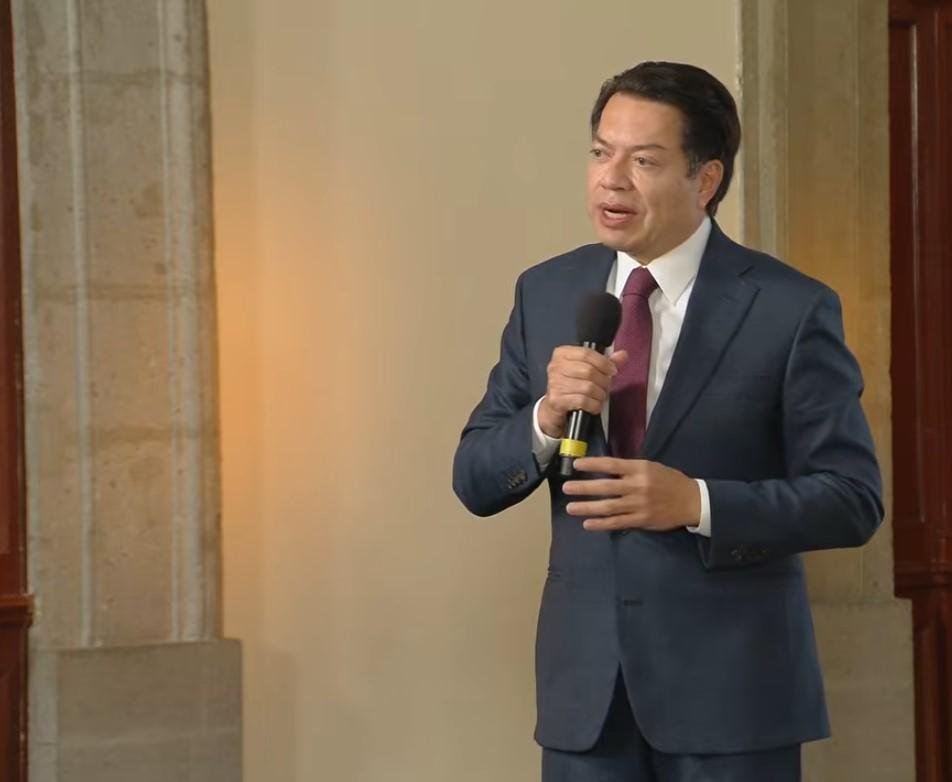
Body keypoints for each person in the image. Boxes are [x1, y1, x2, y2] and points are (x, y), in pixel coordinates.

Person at [452, 61, 883, 782]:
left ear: (705, 179)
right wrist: (546, 415)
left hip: (734, 702)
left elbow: (852, 499)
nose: (611, 180)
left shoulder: (790, 307)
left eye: (644, 161)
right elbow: (474, 478)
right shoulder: (547, 291)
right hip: (587, 705)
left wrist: (698, 503)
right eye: (601, 152)